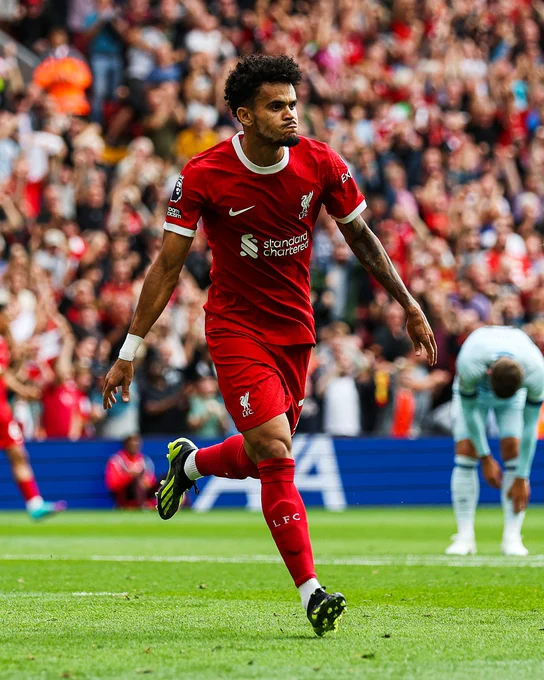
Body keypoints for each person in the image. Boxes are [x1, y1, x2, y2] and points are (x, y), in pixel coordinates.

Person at [102, 54, 437, 637]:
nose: (290, 115)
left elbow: (362, 237)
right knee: (277, 453)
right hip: (234, 329)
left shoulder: (319, 163)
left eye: (293, 104)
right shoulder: (204, 175)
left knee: (262, 455)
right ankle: (312, 593)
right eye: (276, 106)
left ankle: (192, 462)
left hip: (296, 333)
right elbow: (166, 267)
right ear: (244, 115)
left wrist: (407, 303)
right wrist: (130, 348)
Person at [447, 326, 544, 557]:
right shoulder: (470, 363)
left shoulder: (536, 370)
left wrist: (522, 476)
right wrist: (485, 457)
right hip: (475, 395)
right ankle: (464, 537)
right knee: (465, 449)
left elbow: (531, 428)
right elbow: (470, 414)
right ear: (488, 374)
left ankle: (512, 538)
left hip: (513, 396)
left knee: (513, 448)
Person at [0, 297, 66, 520]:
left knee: (18, 453)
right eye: (6, 312)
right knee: (17, 454)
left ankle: (34, 504)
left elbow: (9, 369)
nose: (10, 316)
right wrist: (22, 390)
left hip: (2, 409)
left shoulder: (4, 341)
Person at [105, 434, 157, 509]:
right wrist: (129, 476)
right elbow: (112, 483)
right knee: (135, 481)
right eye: (131, 444)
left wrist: (145, 482)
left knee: (165, 480)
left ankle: (168, 505)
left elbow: (152, 481)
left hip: (144, 491)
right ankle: (142, 506)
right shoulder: (117, 460)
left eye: (136, 444)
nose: (134, 446)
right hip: (125, 493)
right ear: (126, 445)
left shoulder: (144, 460)